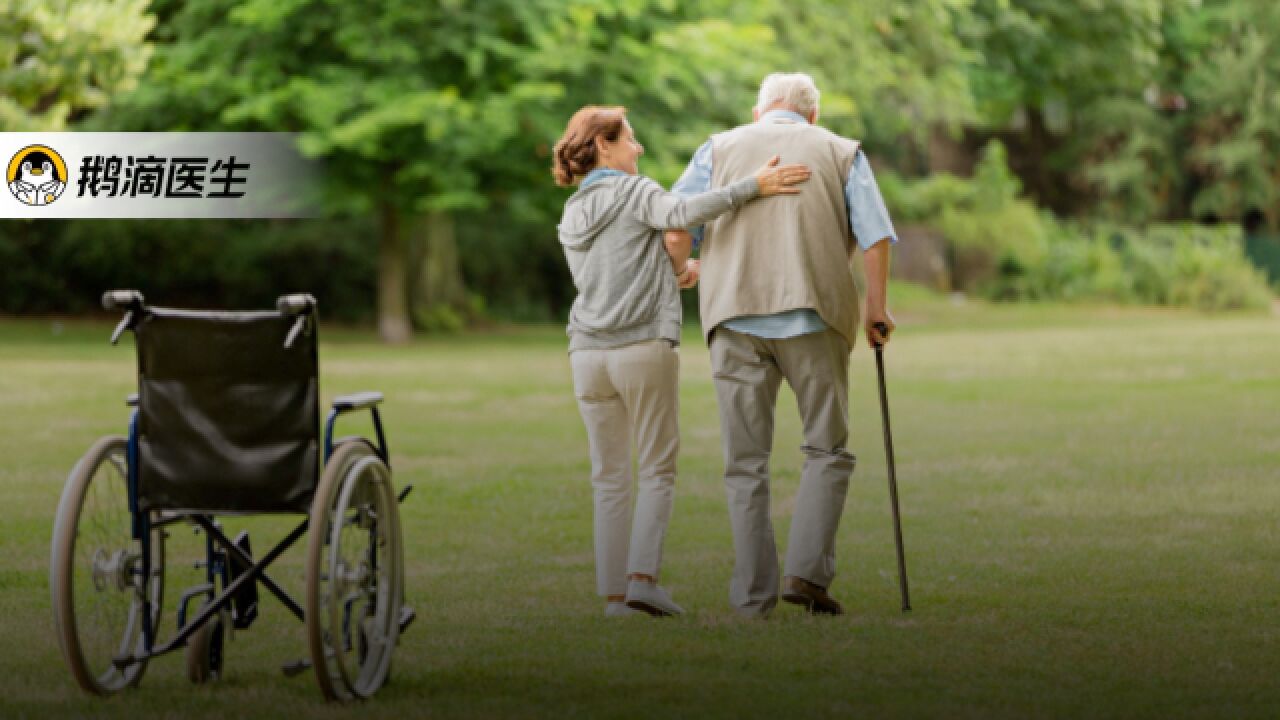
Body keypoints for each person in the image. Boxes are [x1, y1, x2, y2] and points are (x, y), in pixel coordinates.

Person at [552, 105, 810, 617]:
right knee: (656, 468)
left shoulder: (573, 211)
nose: (638, 148)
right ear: (603, 146)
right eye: (630, 138)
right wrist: (752, 186)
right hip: (641, 348)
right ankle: (643, 579)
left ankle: (613, 597)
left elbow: (614, 273)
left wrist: (672, 274)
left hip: (586, 354)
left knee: (608, 476)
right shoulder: (636, 191)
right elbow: (683, 216)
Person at [668, 72, 898, 618]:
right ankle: (806, 574)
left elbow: (676, 227)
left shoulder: (717, 148)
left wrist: (684, 270)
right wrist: (875, 309)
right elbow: (877, 236)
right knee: (826, 449)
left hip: (734, 318)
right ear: (811, 116)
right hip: (815, 318)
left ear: (758, 113)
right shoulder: (841, 151)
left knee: (744, 463)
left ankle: (752, 597)